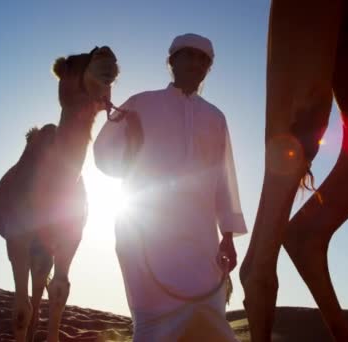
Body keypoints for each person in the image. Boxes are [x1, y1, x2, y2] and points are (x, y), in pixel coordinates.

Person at [93, 33, 248, 341]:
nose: (195, 64)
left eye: (203, 60)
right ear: (171, 61)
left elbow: (224, 177)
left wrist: (228, 235)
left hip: (202, 242)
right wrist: (132, 155)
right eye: (188, 56)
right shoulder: (141, 103)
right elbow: (103, 154)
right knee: (153, 329)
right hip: (145, 234)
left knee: (213, 328)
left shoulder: (215, 117)